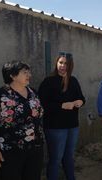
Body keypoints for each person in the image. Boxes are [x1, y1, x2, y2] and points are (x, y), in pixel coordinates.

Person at [0, 61, 44, 180]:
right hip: (10, 153)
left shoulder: (33, 93)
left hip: (35, 150)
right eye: (25, 72)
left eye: (29, 72)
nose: (29, 75)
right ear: (12, 76)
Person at [38, 52, 85, 180]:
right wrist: (62, 106)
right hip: (55, 127)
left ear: (70, 66)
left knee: (69, 157)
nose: (62, 66)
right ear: (56, 63)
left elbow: (81, 98)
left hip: (72, 126)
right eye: (61, 63)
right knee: (56, 159)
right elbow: (41, 104)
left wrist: (79, 102)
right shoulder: (48, 82)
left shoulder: (73, 80)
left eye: (66, 63)